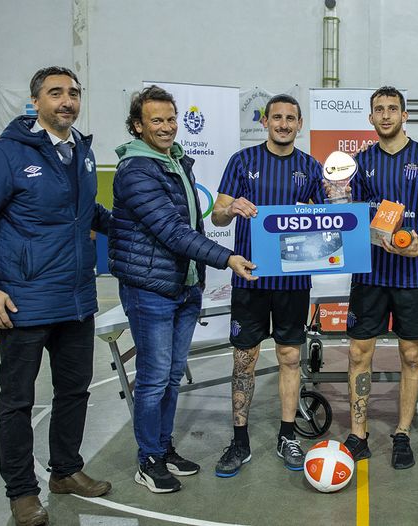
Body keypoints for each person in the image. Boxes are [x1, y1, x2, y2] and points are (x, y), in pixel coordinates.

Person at [0, 66, 111, 526]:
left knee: (74, 391)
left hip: (76, 300)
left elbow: (86, 214)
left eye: (73, 92)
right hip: (23, 301)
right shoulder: (4, 155)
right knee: (18, 400)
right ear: (35, 101)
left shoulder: (81, 152)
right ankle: (21, 491)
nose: (67, 100)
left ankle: (66, 470)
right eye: (55, 92)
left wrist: (139, 226)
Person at [108, 85, 256, 493]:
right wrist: (227, 257)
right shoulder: (137, 170)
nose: (167, 126)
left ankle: (162, 447)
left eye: (171, 119)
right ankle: (148, 460)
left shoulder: (174, 161)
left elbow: (190, 225)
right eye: (156, 120)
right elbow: (172, 232)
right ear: (137, 126)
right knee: (154, 379)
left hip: (184, 284)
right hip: (150, 288)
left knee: (172, 377)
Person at [211, 94, 324, 477]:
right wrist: (231, 208)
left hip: (293, 280)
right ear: (265, 121)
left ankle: (287, 436)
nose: (284, 124)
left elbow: (329, 217)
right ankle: (240, 441)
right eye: (277, 117)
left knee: (290, 358)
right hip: (250, 277)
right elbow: (218, 215)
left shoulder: (310, 167)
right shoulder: (242, 162)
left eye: (291, 118)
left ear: (300, 124)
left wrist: (326, 208)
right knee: (244, 359)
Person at [342, 86, 418, 470]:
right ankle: (358, 433)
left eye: (392, 109)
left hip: (412, 274)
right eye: (379, 110)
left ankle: (402, 433)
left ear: (405, 115)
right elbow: (351, 216)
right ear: (370, 117)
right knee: (359, 354)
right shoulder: (359, 163)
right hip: (369, 273)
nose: (385, 115)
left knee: (411, 355)